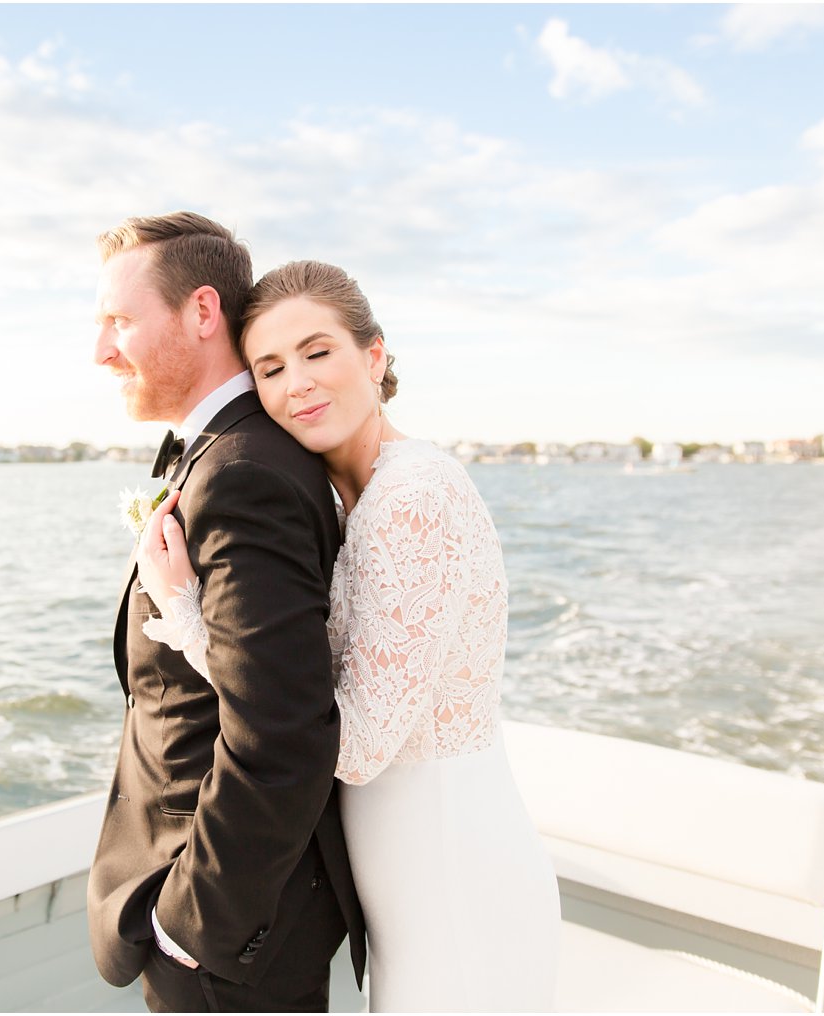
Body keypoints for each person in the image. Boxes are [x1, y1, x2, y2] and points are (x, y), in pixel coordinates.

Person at [137, 260, 561, 1012]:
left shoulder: (409, 500)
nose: (296, 382)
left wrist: (188, 615)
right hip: (407, 867)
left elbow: (360, 748)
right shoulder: (357, 497)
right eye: (269, 367)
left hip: (448, 864)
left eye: (317, 351)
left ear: (374, 356)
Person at [86, 213, 366, 1013]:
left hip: (230, 933)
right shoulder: (218, 452)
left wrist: (193, 925)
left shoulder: (245, 474)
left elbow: (282, 729)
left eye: (119, 321)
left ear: (202, 313)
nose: (101, 351)